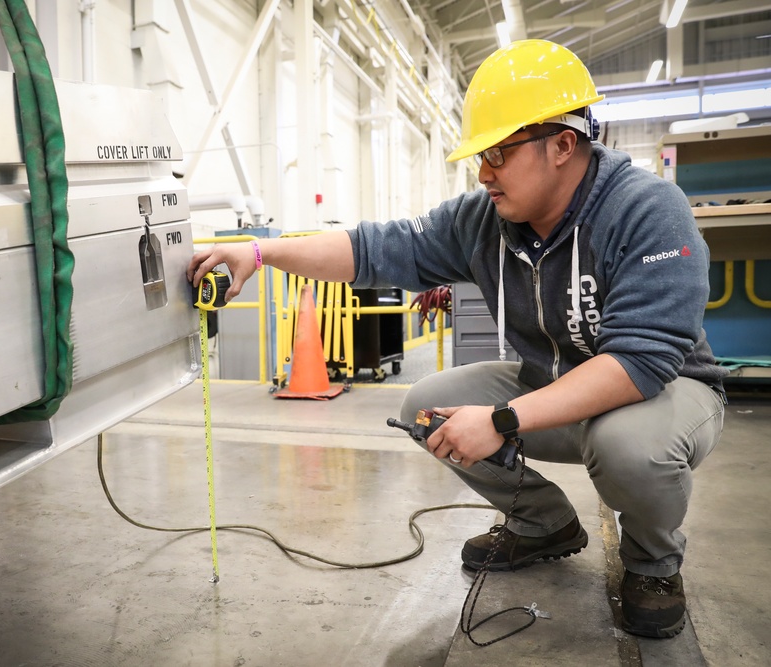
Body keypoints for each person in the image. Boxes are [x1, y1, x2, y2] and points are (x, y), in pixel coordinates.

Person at [187, 39, 726, 639]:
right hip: (551, 380)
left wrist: (500, 421)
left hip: (661, 393)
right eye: (480, 154)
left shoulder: (647, 209)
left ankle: (653, 565)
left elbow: (639, 362)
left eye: (498, 151)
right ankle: (543, 524)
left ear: (563, 145)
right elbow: (368, 248)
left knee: (628, 445)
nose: (483, 171)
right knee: (425, 406)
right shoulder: (484, 220)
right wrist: (262, 252)